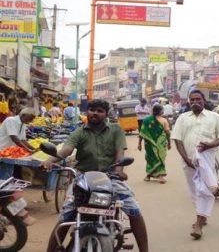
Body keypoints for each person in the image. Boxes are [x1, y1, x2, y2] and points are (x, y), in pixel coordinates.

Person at [42, 99, 149, 252]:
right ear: (87, 112)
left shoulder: (116, 130)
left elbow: (120, 153)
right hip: (82, 178)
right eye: (92, 110)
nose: (95, 113)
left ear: (105, 114)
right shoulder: (79, 131)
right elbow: (66, 150)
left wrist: (119, 171)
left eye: (99, 111)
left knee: (134, 209)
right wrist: (49, 160)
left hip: (110, 177)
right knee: (67, 215)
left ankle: (145, 250)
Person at [170, 90, 219, 240]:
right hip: (188, 161)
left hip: (207, 160)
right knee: (195, 191)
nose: (195, 102)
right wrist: (186, 159)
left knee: (206, 191)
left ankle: (198, 225)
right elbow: (177, 139)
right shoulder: (182, 118)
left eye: (198, 99)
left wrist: (209, 145)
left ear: (204, 100)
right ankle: (202, 215)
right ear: (189, 102)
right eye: (192, 99)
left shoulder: (214, 117)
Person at [139, 104, 171, 183]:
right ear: (160, 111)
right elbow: (168, 133)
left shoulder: (146, 120)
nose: (163, 111)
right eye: (162, 110)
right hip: (160, 143)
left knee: (151, 159)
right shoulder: (164, 120)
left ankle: (148, 176)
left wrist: (139, 144)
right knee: (160, 158)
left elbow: (142, 133)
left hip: (149, 144)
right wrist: (169, 143)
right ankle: (160, 176)